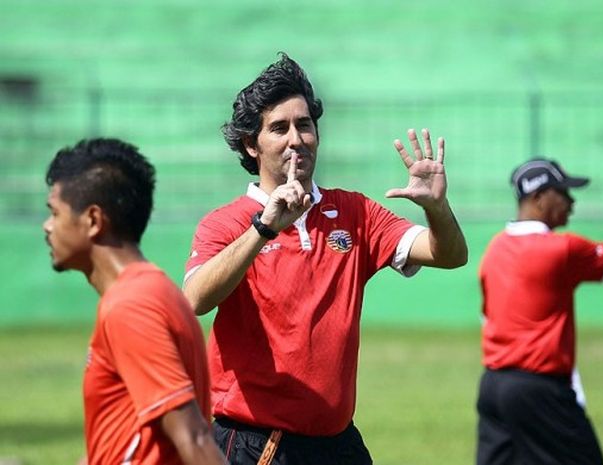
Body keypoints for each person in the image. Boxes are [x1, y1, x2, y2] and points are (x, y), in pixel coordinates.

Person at [182, 53, 467, 465]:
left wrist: (437, 208)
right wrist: (264, 228)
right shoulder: (225, 224)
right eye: (279, 128)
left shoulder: (355, 213)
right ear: (251, 144)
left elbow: (450, 255)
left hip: (337, 443)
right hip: (257, 444)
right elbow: (194, 299)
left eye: (305, 125)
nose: (297, 138)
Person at [43, 138, 226, 465]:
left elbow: (195, 437)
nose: (47, 227)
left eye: (54, 213)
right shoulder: (149, 291)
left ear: (93, 220)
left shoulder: (131, 305)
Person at [476, 158, 603, 465]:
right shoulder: (559, 248)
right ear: (538, 198)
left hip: (493, 387)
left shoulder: (494, 249)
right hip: (539, 390)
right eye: (563, 193)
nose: (572, 201)